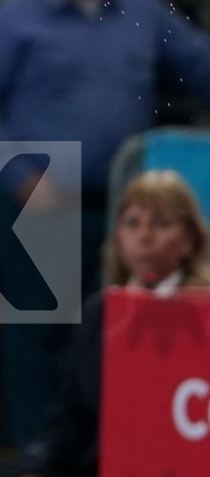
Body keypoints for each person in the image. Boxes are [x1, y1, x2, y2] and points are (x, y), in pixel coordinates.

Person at [0, 0, 210, 448]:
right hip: (39, 197)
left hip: (129, 209)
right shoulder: (9, 19)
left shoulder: (144, 10)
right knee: (38, 327)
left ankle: (120, 442)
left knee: (128, 327)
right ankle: (35, 449)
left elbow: (201, 67)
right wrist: (19, 175)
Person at [18, 169, 210, 477]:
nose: (144, 236)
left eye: (161, 224)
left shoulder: (205, 315)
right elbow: (72, 418)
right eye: (132, 223)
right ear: (118, 235)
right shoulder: (100, 314)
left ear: (188, 240)